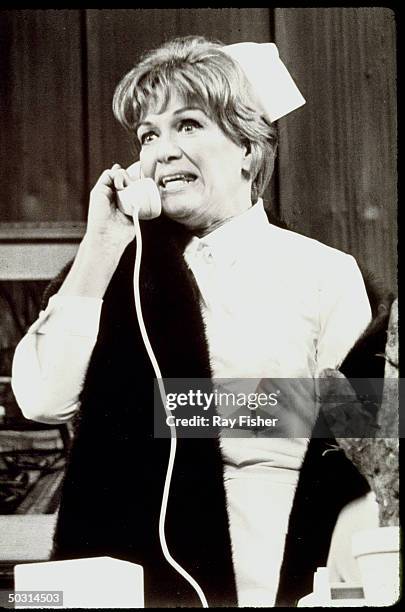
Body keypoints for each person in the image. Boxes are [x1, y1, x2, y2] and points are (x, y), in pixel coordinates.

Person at [12, 36, 372, 607]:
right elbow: (40, 398)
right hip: (133, 570)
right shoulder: (115, 270)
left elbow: (367, 432)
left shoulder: (323, 273)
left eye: (187, 125)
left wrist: (171, 406)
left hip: (275, 567)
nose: (161, 150)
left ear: (248, 148)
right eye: (149, 134)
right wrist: (100, 246)